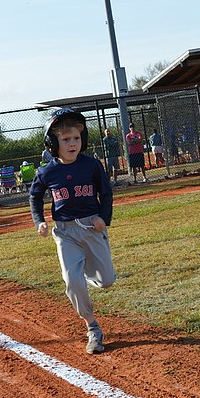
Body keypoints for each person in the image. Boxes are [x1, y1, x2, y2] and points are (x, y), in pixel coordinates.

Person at [29, 109, 116, 355]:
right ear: (52, 143)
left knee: (106, 280)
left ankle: (84, 272)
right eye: (66, 139)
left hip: (91, 227)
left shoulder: (91, 165)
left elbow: (106, 192)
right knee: (72, 281)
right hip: (65, 232)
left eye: (76, 138)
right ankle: (93, 327)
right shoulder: (46, 172)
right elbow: (34, 196)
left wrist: (103, 217)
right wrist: (39, 221)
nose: (72, 143)